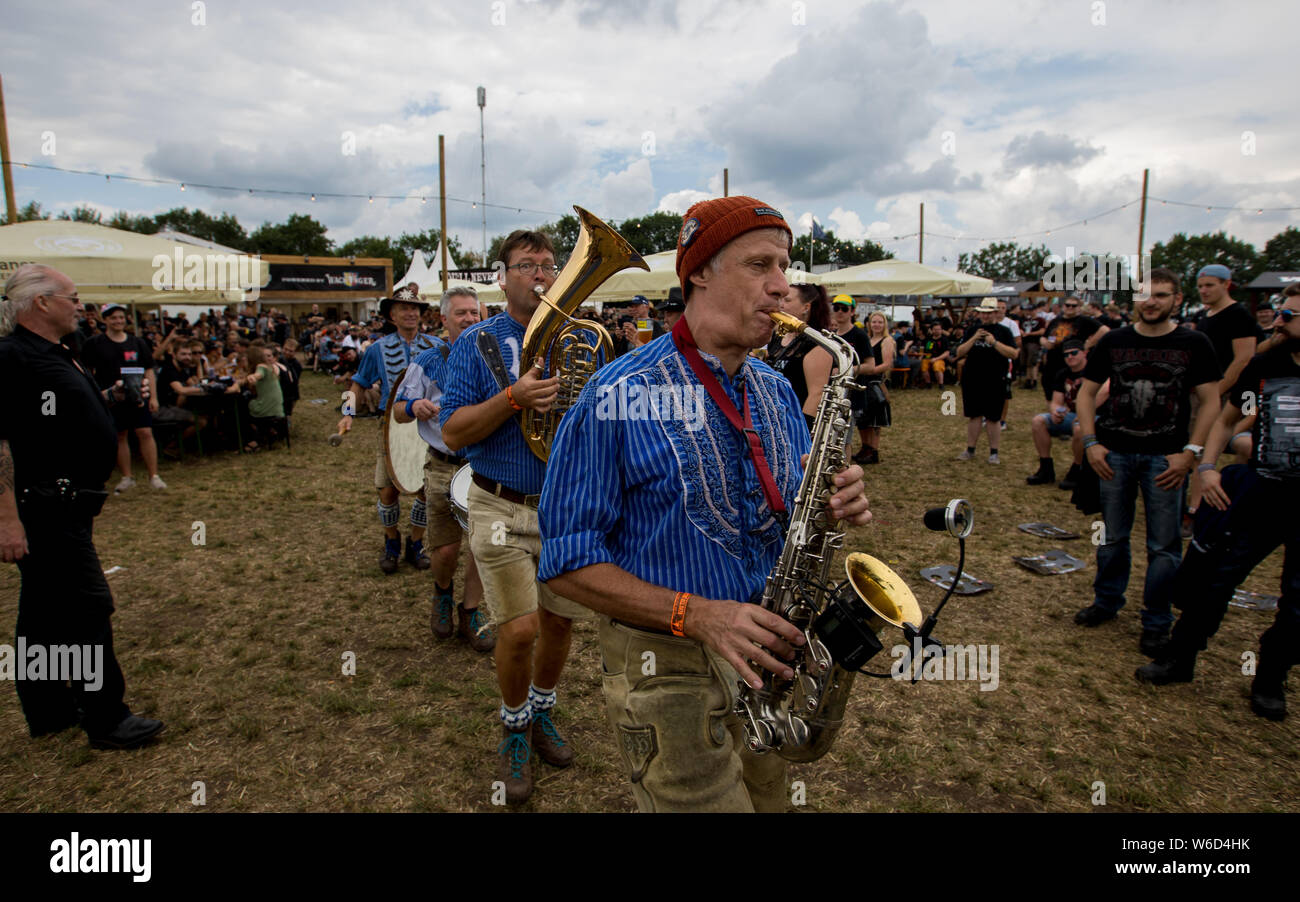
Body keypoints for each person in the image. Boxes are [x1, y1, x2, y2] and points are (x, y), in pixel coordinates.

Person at [537, 195, 871, 812]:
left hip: (767, 654)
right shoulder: (618, 393)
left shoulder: (774, 389)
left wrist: (826, 507)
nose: (781, 287)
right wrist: (700, 616)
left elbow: (789, 516)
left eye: (785, 267)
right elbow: (565, 559)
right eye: (760, 265)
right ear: (698, 272)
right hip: (666, 667)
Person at [440, 229, 590, 805]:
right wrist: (514, 400)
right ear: (502, 278)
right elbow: (452, 431)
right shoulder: (477, 341)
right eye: (527, 265)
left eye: (549, 265)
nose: (541, 274)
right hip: (498, 502)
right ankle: (513, 724)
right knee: (521, 627)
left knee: (559, 624)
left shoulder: (578, 342)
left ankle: (542, 710)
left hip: (563, 507)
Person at [0, 264, 165, 749]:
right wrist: (7, 520)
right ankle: (106, 717)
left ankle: (48, 708)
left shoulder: (57, 352)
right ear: (41, 303)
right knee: (89, 607)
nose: (82, 306)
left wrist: (109, 397)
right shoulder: (12, 356)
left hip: (67, 504)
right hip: (44, 506)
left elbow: (56, 414)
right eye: (73, 297)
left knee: (43, 610)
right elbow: (1, 442)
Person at [1134, 290, 1300, 719]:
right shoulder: (1266, 366)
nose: (1277, 321)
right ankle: (1179, 656)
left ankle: (1271, 676)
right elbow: (1227, 420)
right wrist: (1207, 467)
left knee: (1299, 601)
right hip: (1260, 493)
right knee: (1215, 579)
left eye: (1288, 315)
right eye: (1278, 312)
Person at [1074, 268, 1221, 655]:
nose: (1151, 301)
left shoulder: (1194, 342)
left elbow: (1211, 401)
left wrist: (1192, 452)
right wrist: (1091, 442)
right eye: (1145, 294)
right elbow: (1087, 394)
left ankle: (1157, 621)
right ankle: (1106, 602)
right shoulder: (1114, 341)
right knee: (1112, 537)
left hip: (1166, 459)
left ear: (1177, 299)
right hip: (1114, 455)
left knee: (1164, 546)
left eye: (1161, 294)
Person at [393, 286, 492, 653]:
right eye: (461, 313)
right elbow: (397, 410)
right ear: (444, 319)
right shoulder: (429, 360)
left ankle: (470, 611)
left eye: (474, 313)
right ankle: (442, 595)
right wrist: (415, 403)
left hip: (483, 465)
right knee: (447, 549)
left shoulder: (491, 358)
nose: (469, 319)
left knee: (482, 547)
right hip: (443, 465)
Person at [337, 289, 440, 573]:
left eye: (414, 308)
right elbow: (357, 384)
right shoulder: (376, 349)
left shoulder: (436, 346)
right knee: (386, 489)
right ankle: (391, 541)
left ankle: (416, 543)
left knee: (424, 488)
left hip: (426, 426)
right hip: (390, 426)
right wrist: (347, 415)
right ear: (392, 315)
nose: (410, 313)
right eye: (403, 308)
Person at [80, 304, 166, 492]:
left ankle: (154, 476)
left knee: (145, 433)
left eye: (121, 317)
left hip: (138, 396)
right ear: (105, 320)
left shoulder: (137, 343)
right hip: (111, 398)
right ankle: (127, 477)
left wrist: (154, 397)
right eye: (113, 318)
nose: (118, 321)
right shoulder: (94, 344)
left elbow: (149, 370)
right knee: (120, 435)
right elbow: (87, 372)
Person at [1026, 339, 1102, 489]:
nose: (1070, 357)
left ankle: (1077, 470)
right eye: (1066, 354)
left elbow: (1102, 397)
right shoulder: (1062, 373)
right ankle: (1045, 468)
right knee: (1038, 421)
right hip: (1071, 415)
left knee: (1080, 428)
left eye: (1074, 353)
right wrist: (1055, 411)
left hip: (1096, 417)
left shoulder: (1095, 372)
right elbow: (1056, 401)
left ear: (1085, 353)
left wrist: (1083, 415)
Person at [954, 298, 1018, 464]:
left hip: (995, 378)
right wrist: (974, 338)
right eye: (983, 312)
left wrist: (994, 343)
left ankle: (994, 452)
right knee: (974, 415)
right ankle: (970, 449)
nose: (986, 316)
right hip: (973, 378)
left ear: (996, 313)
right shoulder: (972, 330)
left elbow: (1013, 354)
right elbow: (959, 352)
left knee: (993, 417)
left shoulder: (1004, 331)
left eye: (989, 313)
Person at [766, 282, 832, 430]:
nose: (781, 304)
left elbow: (816, 394)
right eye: (781, 299)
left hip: (793, 423)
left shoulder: (816, 344)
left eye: (787, 300)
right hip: (773, 419)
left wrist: (801, 433)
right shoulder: (777, 337)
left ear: (806, 307)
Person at [1041, 294, 1107, 402]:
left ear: (1079, 308)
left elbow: (1104, 330)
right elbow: (1043, 337)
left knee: (1073, 393)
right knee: (1049, 389)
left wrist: (1088, 344)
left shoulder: (1084, 320)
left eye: (1074, 306)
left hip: (1073, 363)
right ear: (1063, 307)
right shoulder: (1055, 321)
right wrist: (1045, 343)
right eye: (1067, 305)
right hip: (1053, 361)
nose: (1070, 308)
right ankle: (1053, 413)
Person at [855, 311, 895, 464]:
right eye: (874, 322)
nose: (877, 325)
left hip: (876, 383)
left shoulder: (887, 341)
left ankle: (873, 450)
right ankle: (865, 448)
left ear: (884, 324)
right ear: (869, 324)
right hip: (863, 381)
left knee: (875, 419)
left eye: (880, 322)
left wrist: (868, 369)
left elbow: (886, 364)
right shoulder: (868, 339)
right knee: (863, 418)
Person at [918, 320, 951, 387]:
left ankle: (940, 384)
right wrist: (920, 356)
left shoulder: (944, 340)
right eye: (935, 329)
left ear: (941, 330)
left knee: (937, 366)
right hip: (927, 358)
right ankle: (928, 383)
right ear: (931, 330)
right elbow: (922, 348)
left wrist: (936, 359)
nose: (937, 331)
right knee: (923, 365)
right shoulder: (928, 339)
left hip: (939, 358)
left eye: (939, 329)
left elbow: (947, 352)